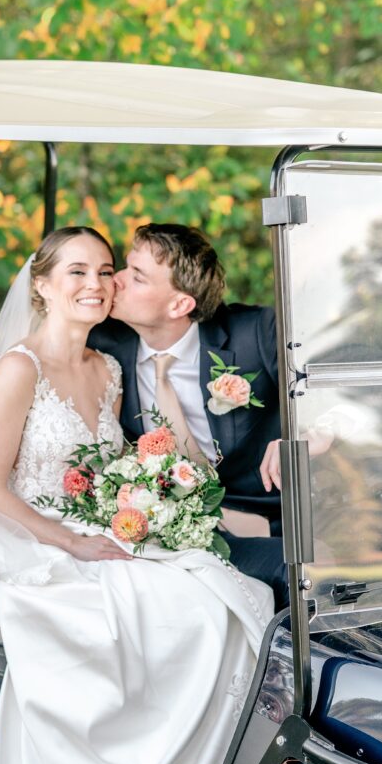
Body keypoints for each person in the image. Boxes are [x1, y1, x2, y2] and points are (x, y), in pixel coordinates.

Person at [0, 226, 273, 764]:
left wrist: (135, 514)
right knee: (167, 610)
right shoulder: (18, 370)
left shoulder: (106, 368)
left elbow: (121, 470)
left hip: (98, 526)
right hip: (27, 538)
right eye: (77, 271)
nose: (96, 284)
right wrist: (70, 540)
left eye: (106, 271)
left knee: (227, 596)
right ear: (40, 283)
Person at [89, 223, 288, 609]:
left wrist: (308, 432)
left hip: (272, 525)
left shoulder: (255, 333)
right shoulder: (102, 344)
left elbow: (336, 385)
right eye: (125, 267)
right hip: (167, 531)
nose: (117, 280)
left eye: (138, 276)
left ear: (180, 305)